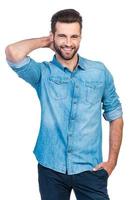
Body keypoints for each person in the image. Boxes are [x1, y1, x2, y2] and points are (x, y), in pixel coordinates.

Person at [5, 9, 123, 200]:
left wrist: (112, 162)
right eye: (62, 36)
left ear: (81, 37)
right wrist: (45, 42)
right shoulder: (43, 74)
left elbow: (115, 115)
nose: (68, 43)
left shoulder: (99, 72)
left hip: (90, 168)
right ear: (53, 37)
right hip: (51, 168)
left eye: (74, 36)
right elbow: (12, 53)